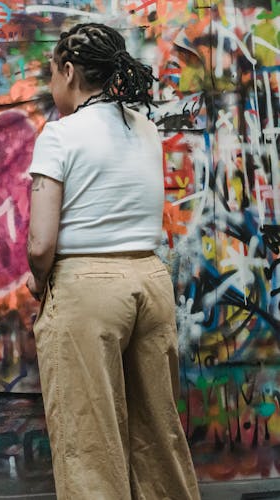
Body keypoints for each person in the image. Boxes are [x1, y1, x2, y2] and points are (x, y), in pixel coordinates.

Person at [25, 23, 201, 499]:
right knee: (159, 432)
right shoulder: (143, 128)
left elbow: (41, 243)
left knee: (89, 441)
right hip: (150, 281)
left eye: (52, 75)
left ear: (68, 70)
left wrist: (38, 283)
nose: (51, 87)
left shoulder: (59, 135)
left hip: (87, 288)